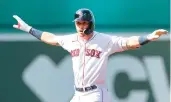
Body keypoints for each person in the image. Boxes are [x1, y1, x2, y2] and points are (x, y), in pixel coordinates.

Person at [13, 8, 168, 102]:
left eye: (84, 23)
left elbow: (129, 42)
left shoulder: (104, 40)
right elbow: (51, 38)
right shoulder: (71, 40)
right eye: (78, 23)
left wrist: (147, 37)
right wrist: (29, 29)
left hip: (95, 94)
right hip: (78, 95)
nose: (81, 26)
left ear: (91, 23)